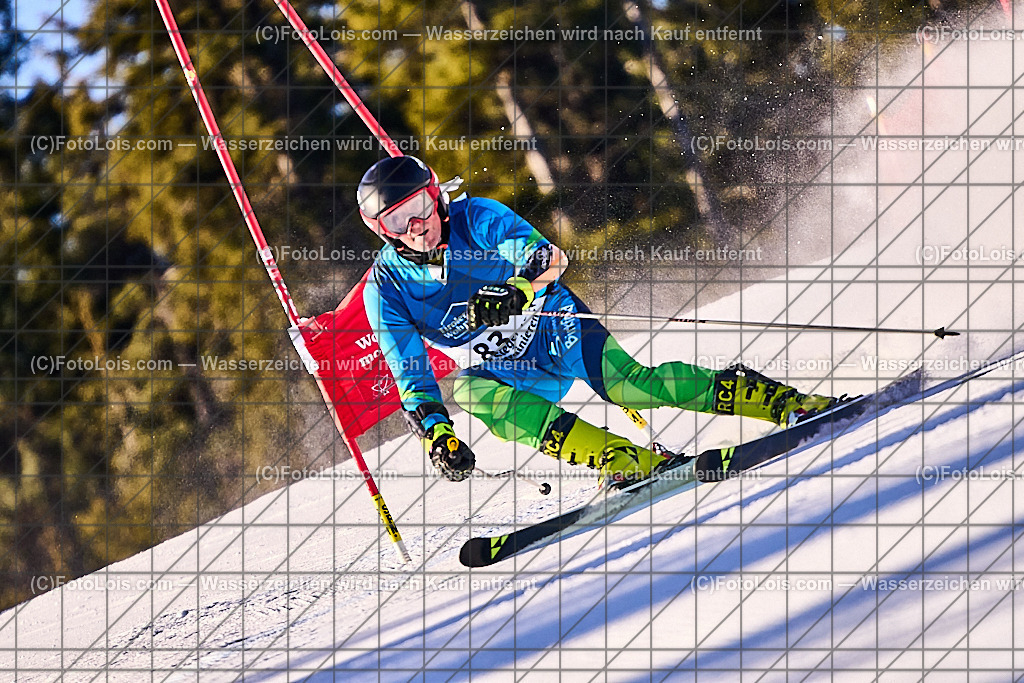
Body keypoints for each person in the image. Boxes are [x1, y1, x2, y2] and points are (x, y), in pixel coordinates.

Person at [359, 156, 835, 486]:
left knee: (629, 387)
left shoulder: (476, 217)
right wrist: (437, 434)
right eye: (398, 222)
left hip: (551, 324)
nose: (416, 227)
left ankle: (781, 401)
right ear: (381, 231)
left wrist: (517, 289)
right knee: (466, 391)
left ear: (435, 196)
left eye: (420, 208)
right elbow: (412, 376)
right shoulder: (385, 289)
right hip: (506, 370)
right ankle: (621, 458)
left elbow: (550, 257)